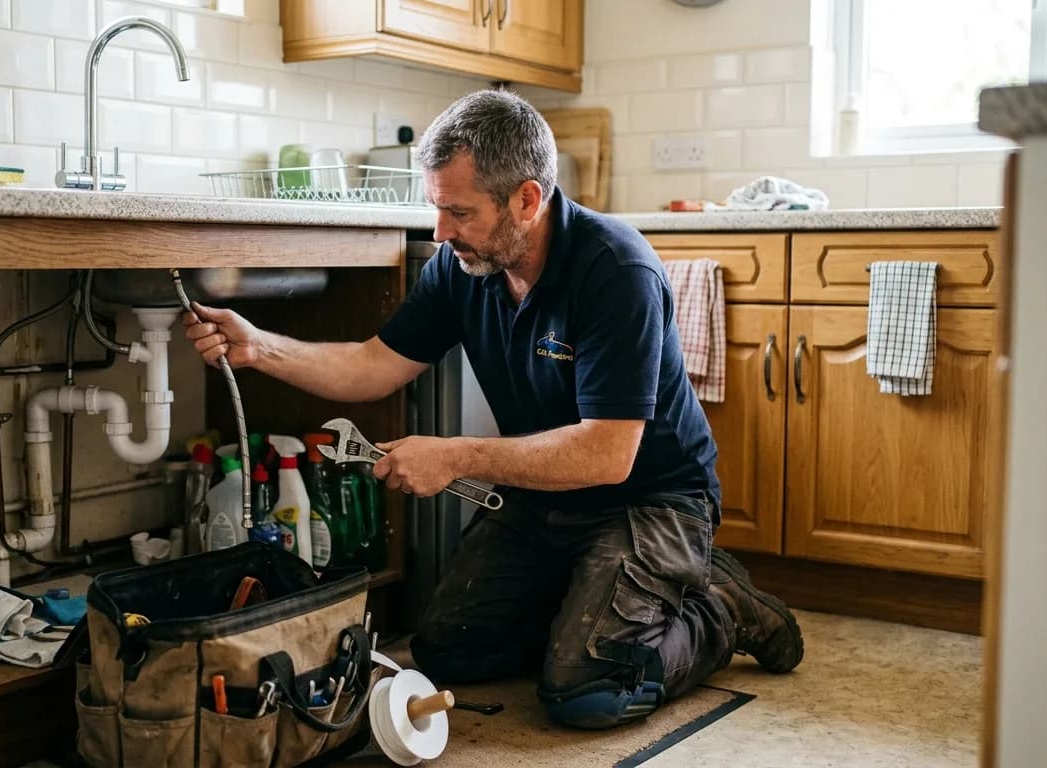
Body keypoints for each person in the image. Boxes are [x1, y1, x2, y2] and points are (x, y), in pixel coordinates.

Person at [184, 89, 803, 730]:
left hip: (651, 499)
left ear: (527, 200)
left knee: (587, 690)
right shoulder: (464, 265)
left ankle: (721, 607)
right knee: (449, 649)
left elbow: (608, 453)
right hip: (546, 499)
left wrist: (456, 456)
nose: (440, 232)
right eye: (436, 208)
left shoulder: (615, 270)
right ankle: (594, 606)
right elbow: (374, 365)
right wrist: (259, 346)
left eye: (458, 211)